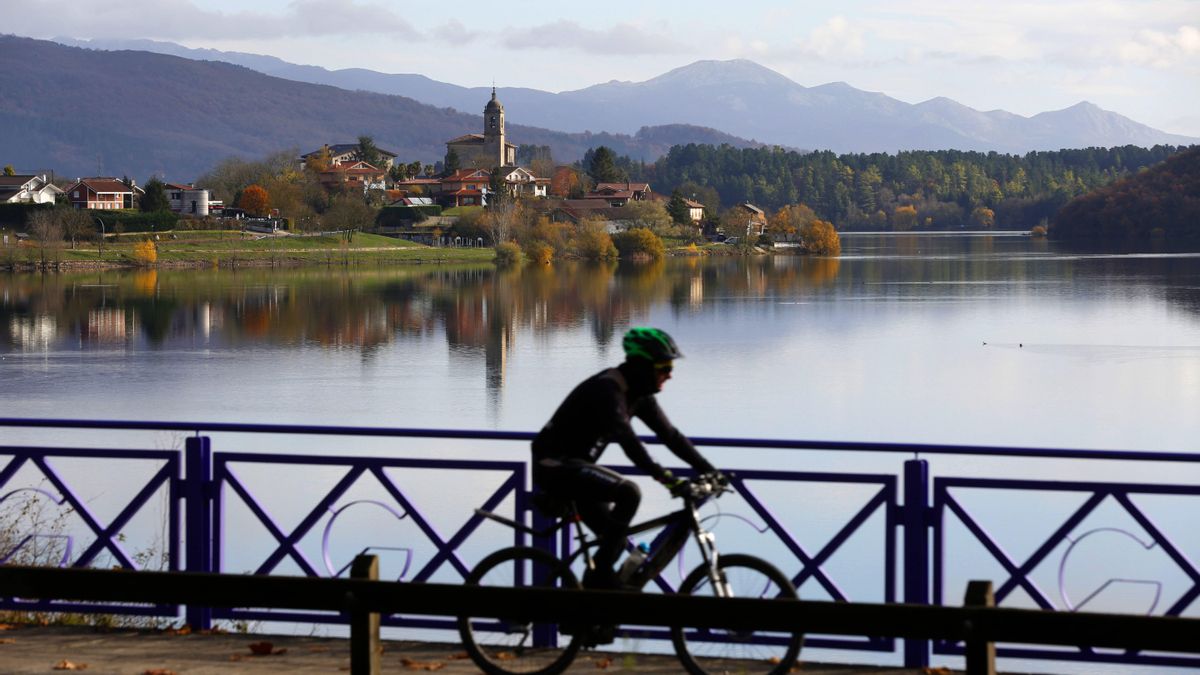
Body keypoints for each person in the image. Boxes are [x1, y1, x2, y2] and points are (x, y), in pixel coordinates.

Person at [531, 327, 717, 590]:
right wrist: (667, 479)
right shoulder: (608, 390)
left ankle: (587, 617)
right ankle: (601, 582)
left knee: (615, 539)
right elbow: (629, 441)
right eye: (664, 367)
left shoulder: (639, 395)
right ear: (643, 365)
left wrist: (710, 470)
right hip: (554, 465)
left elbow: (671, 436)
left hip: (580, 470)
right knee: (629, 493)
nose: (670, 375)